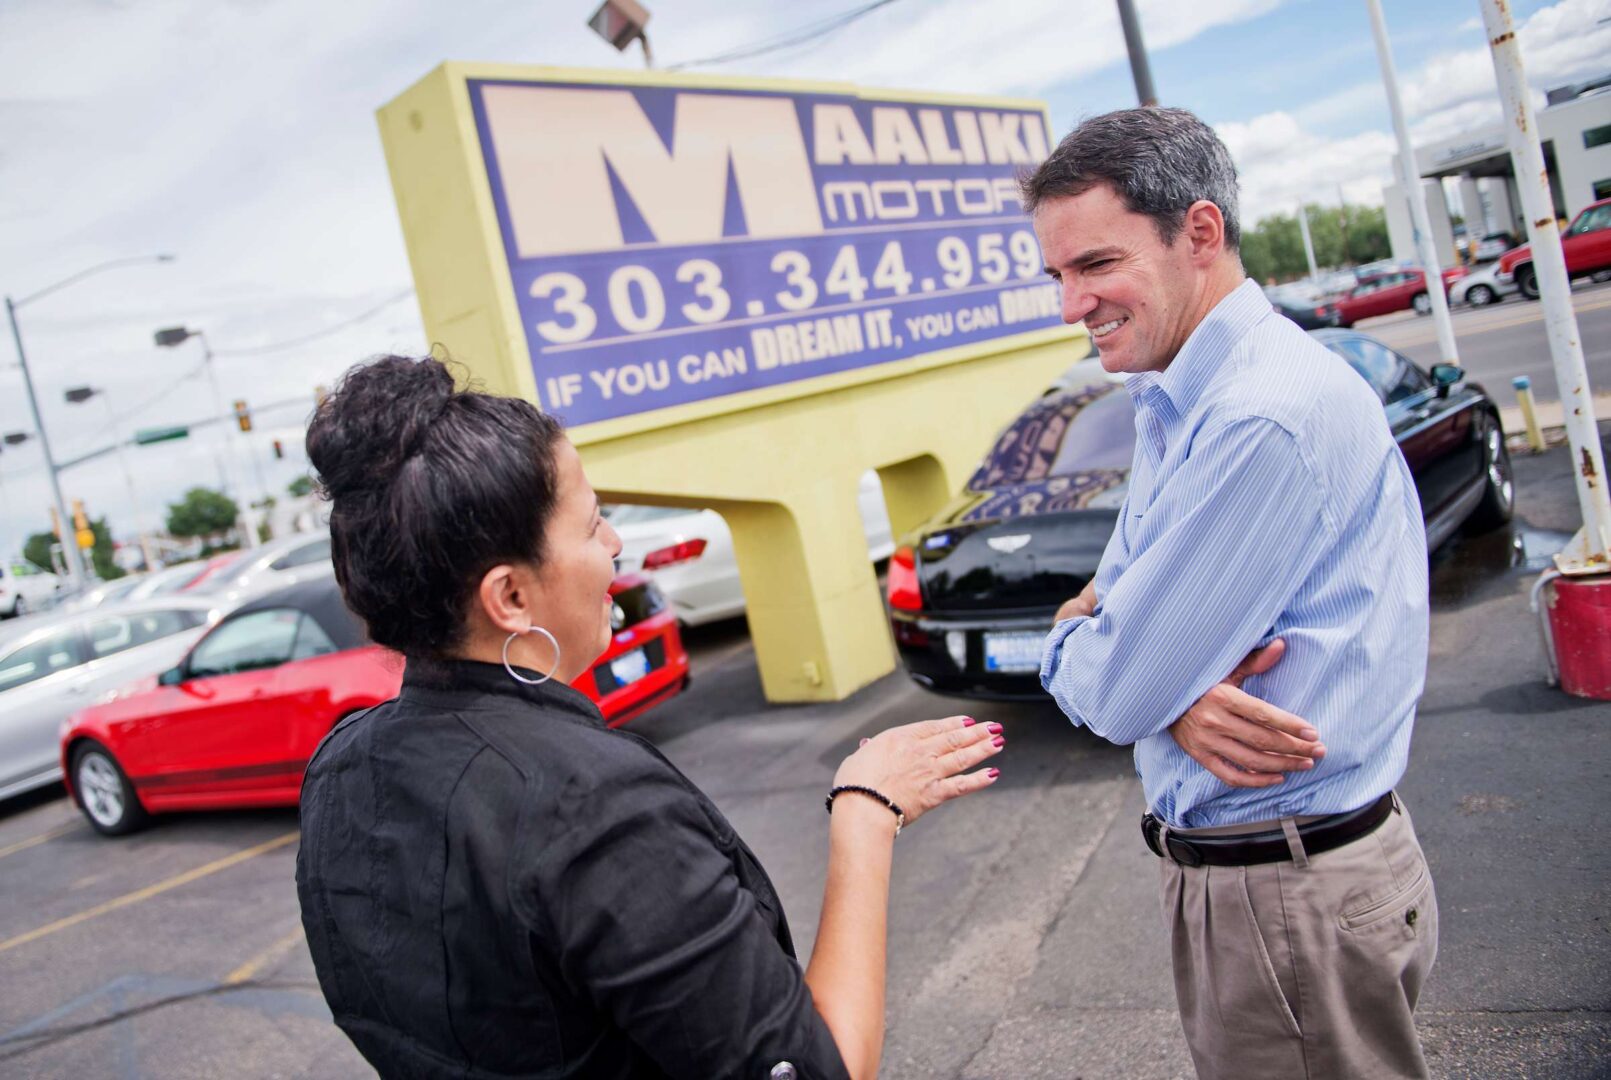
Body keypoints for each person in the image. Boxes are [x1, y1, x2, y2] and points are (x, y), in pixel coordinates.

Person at [294, 355, 1007, 1080]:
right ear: (509, 596)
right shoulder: (594, 810)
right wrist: (867, 810)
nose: (614, 545)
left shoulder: (341, 768)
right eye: (592, 523)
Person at [1027, 108, 1438, 1078]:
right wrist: (1168, 692)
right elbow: (1124, 629)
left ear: (1200, 234)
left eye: (1094, 265)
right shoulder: (1177, 397)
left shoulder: (1260, 417)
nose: (1068, 304)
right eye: (1056, 274)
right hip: (1279, 885)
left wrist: (1132, 683)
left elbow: (1121, 682)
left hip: (1286, 897)